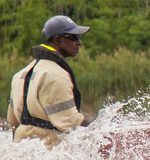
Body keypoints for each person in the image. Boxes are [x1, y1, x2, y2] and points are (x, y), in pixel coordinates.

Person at [8, 15, 90, 146]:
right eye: (73, 37)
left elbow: (13, 122)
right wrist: (100, 128)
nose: (79, 42)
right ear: (57, 40)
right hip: (48, 147)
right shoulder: (56, 75)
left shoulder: (20, 74)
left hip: (21, 145)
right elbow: (71, 123)